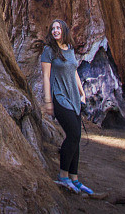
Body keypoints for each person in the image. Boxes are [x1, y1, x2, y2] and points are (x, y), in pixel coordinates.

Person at [39, 19, 98, 196]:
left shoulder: (70, 50)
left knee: (76, 137)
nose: (55, 31)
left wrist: (82, 93)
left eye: (58, 28)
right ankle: (63, 176)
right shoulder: (48, 51)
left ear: (64, 30)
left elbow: (74, 72)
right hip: (59, 97)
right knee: (72, 134)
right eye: (53, 29)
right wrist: (48, 102)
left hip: (73, 97)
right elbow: (46, 77)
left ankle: (75, 178)